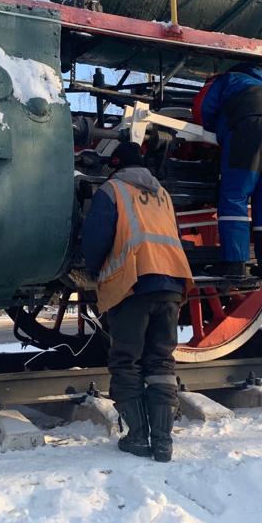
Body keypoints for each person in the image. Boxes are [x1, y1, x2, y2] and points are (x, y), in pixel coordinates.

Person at [81, 141, 193, 463]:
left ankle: (138, 437)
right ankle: (163, 442)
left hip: (133, 285)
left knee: (126, 360)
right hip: (171, 281)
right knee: (161, 360)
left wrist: (92, 270)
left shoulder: (112, 190)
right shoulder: (163, 194)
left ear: (116, 165)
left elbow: (96, 240)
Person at [193, 64, 262, 285]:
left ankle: (235, 263)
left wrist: (212, 133)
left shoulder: (227, 78)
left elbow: (203, 106)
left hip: (251, 123)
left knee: (235, 194)